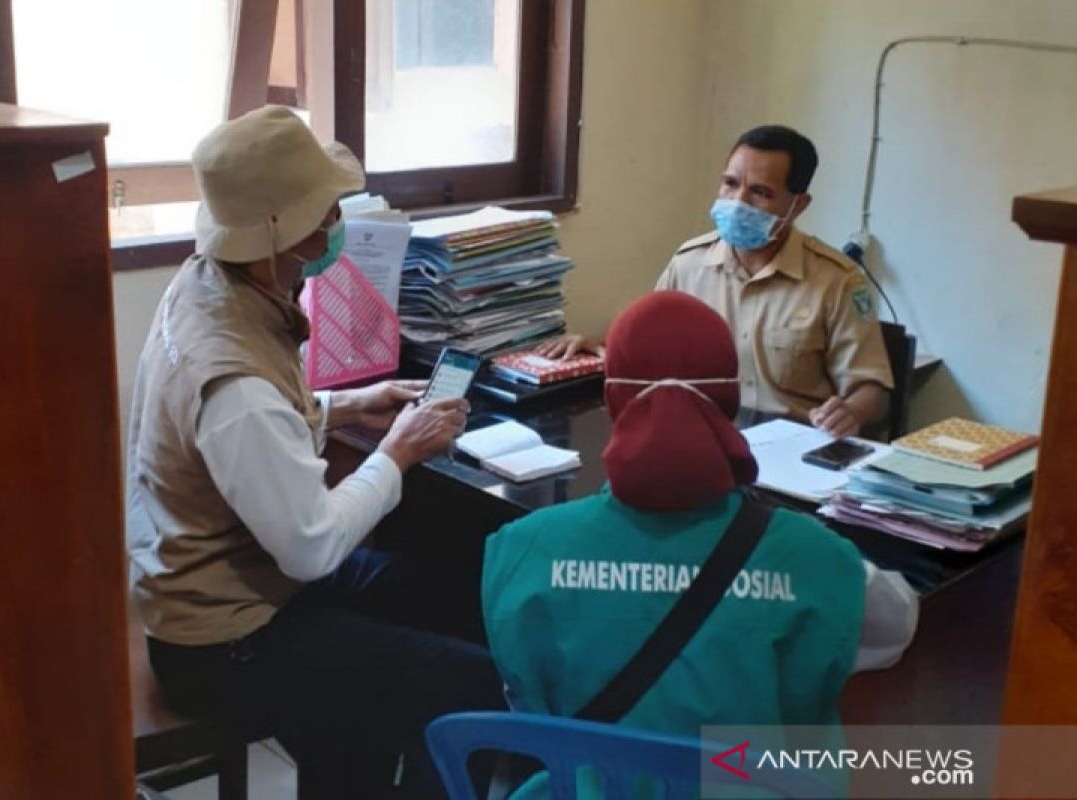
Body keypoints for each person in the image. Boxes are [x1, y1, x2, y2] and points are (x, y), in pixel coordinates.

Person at [125, 105, 503, 798]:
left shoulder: (209, 284)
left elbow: (248, 440)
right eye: (325, 214)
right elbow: (312, 547)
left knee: (454, 593)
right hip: (222, 642)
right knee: (465, 677)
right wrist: (397, 452)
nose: (336, 227)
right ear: (279, 235)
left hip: (234, 587)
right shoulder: (234, 380)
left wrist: (350, 405)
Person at [483, 291, 917, 795]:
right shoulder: (817, 559)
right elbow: (894, 628)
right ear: (729, 401)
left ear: (611, 400)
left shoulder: (523, 550)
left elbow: (524, 703)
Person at [538, 125, 893, 438]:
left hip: (791, 455)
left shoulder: (836, 281)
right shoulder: (690, 263)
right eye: (730, 184)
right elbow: (649, 343)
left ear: (797, 205)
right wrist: (593, 344)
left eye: (760, 192)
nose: (738, 201)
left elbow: (871, 389)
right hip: (701, 445)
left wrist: (851, 412)